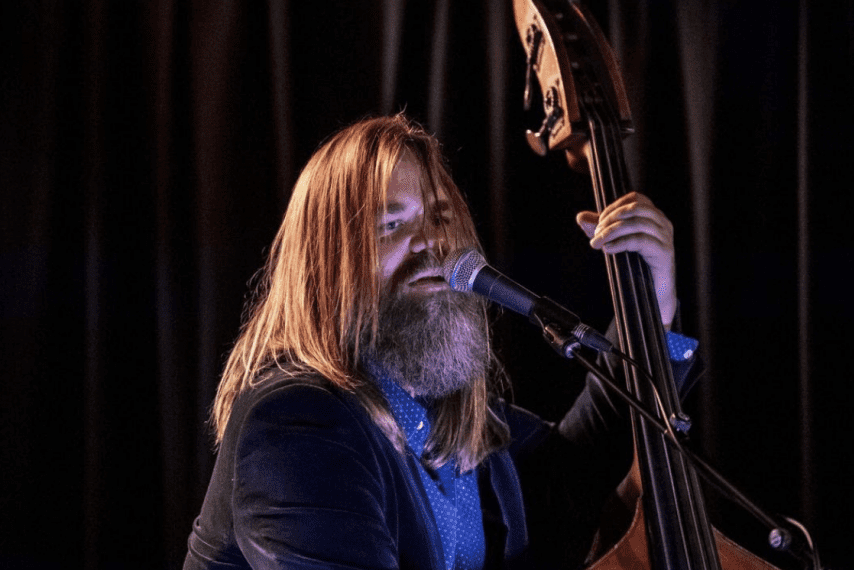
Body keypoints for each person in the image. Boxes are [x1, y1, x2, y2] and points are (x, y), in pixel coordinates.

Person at [183, 114, 700, 569]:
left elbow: (574, 470)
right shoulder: (297, 425)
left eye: (441, 216)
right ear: (325, 267)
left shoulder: (441, 416)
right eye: (392, 223)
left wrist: (651, 305)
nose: (432, 240)